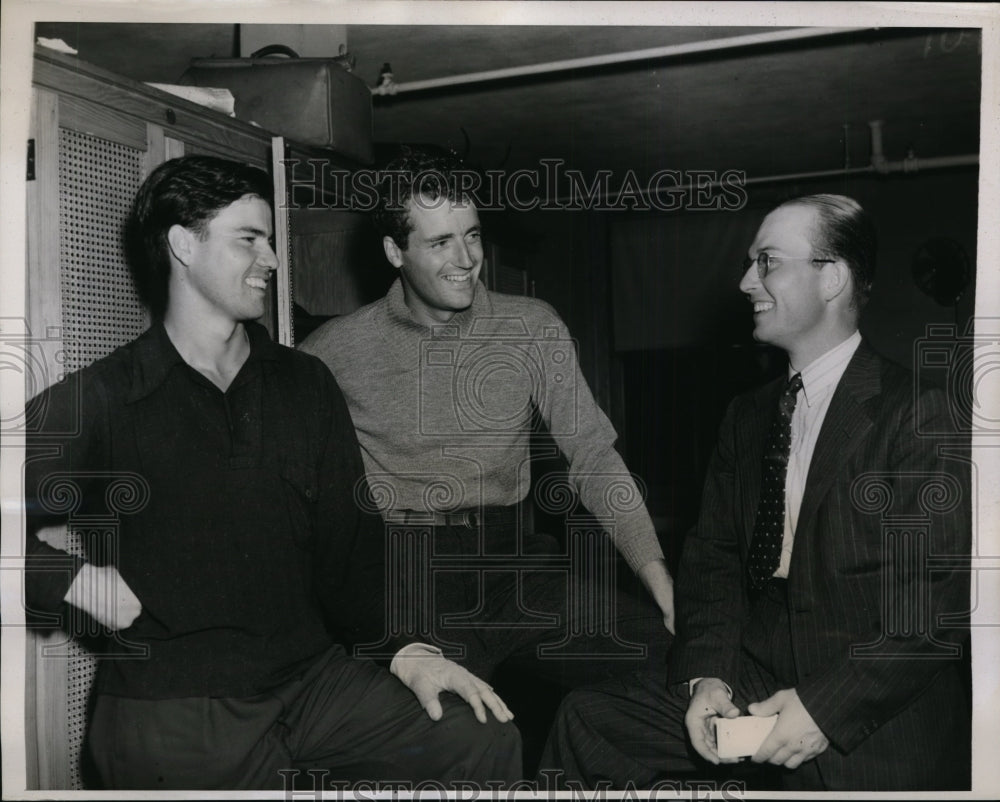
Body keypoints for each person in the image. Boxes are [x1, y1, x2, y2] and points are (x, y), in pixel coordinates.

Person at [23, 155, 521, 790]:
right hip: (177, 704)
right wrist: (66, 578)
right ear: (183, 245)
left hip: (311, 681)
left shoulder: (303, 382)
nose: (273, 260)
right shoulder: (105, 398)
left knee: (476, 736)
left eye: (272, 240)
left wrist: (407, 650)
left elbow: (351, 552)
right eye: (248, 240)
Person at [539, 194, 971, 791]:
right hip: (753, 676)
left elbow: (933, 608)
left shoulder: (920, 413)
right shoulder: (746, 417)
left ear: (833, 279)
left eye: (766, 262)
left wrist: (823, 708)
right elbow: (712, 562)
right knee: (590, 721)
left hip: (874, 700)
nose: (745, 281)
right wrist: (706, 677)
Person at [299, 148, 674, 696]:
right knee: (470, 728)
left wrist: (656, 574)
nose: (466, 258)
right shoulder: (331, 352)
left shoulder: (532, 325)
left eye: (472, 235)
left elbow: (593, 456)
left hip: (514, 564)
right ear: (393, 251)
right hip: (404, 573)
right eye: (440, 242)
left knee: (666, 660)